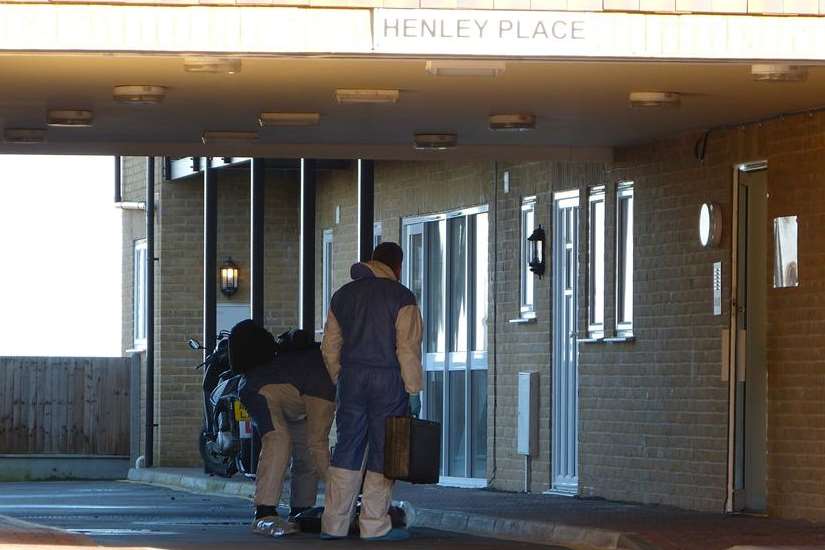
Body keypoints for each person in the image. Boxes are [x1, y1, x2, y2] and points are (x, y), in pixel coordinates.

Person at [320, 242, 423, 541]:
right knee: (383, 451)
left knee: (347, 449)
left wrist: (341, 376)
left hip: (352, 379)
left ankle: (334, 524)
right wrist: (413, 389)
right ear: (397, 266)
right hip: (388, 381)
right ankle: (374, 525)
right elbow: (407, 349)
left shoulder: (343, 295)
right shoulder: (402, 296)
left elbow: (329, 347)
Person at [230, 320, 336, 536]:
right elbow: (320, 443)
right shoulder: (326, 381)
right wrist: (341, 491)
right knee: (279, 441)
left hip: (293, 397)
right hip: (260, 389)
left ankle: (301, 510)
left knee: (306, 452)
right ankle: (264, 510)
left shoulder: (327, 372)